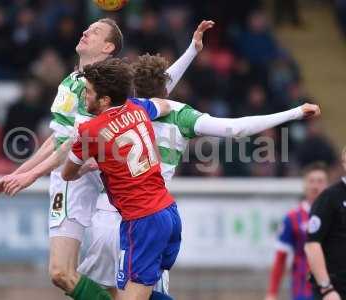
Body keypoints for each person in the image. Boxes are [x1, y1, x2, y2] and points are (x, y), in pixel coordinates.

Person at [76, 53, 322, 297]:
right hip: (150, 216)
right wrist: (295, 112)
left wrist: (193, 49)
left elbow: (154, 87)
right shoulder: (181, 114)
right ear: (166, 87)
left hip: (108, 216)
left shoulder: (118, 110)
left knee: (101, 291)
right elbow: (236, 128)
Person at [0, 18, 125, 300]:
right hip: (78, 180)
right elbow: (59, 137)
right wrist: (20, 172)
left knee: (69, 273)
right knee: (84, 278)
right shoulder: (72, 80)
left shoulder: (103, 87)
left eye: (96, 32)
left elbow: (78, 143)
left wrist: (30, 176)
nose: (86, 31)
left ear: (108, 46)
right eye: (87, 27)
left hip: (92, 183)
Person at [61, 58, 181, 300]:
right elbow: (164, 106)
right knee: (136, 293)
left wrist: (89, 166)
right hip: (168, 212)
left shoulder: (90, 132)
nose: (85, 96)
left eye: (89, 92)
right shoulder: (138, 109)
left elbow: (67, 174)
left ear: (105, 100)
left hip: (142, 221)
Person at [265, 162, 329, 300]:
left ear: (327, 185)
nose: (315, 186)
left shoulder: (337, 215)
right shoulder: (293, 218)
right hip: (303, 290)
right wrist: (272, 292)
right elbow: (280, 258)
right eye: (311, 181)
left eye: (320, 181)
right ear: (304, 185)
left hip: (333, 289)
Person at [305, 148, 346, 300]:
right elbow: (312, 244)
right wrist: (326, 288)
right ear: (344, 162)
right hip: (336, 290)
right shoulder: (329, 197)